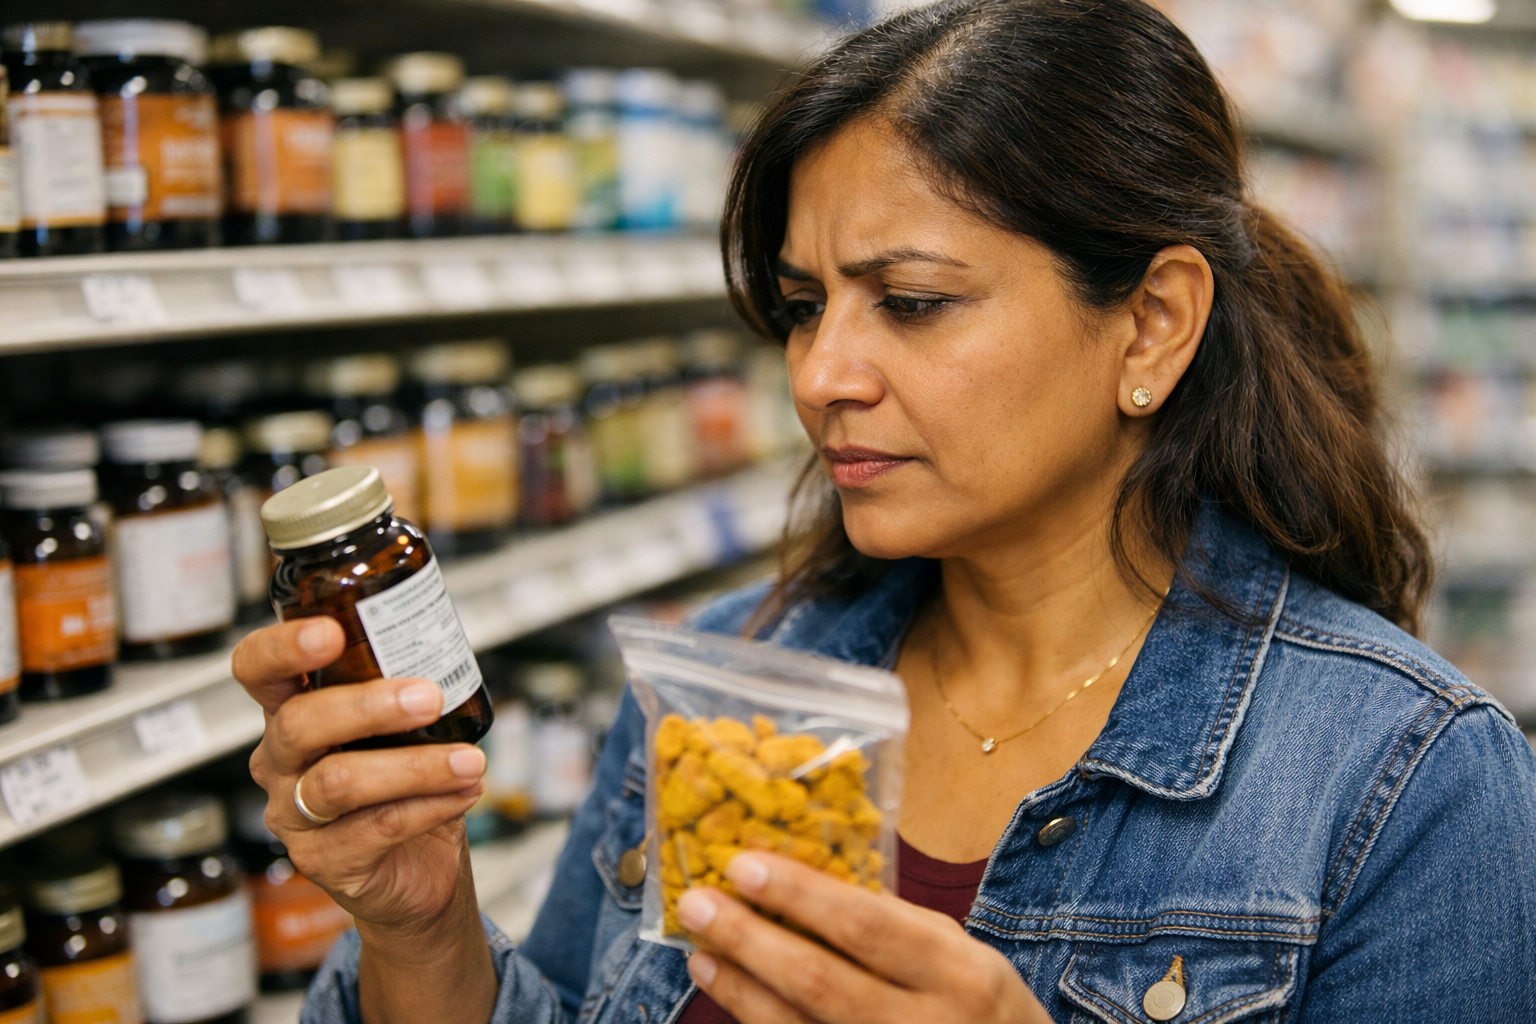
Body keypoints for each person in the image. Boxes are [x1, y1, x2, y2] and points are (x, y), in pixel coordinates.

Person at [233, 1, 1536, 1021]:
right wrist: (420, 929)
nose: (821, 376)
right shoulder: (732, 687)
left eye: (909, 303)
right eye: (805, 306)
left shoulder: (1407, 784)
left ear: (1151, 326)